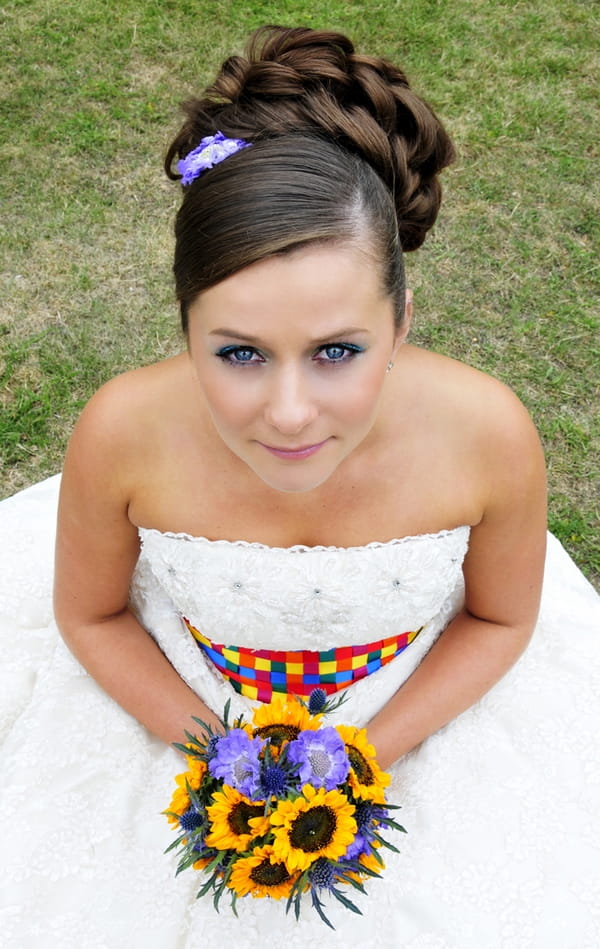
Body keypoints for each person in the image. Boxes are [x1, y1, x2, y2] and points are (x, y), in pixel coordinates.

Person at [0, 25, 598, 949]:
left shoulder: (487, 437)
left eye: (336, 352)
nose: (287, 412)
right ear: (185, 324)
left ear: (400, 320)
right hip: (192, 694)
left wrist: (366, 756)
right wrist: (219, 752)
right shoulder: (121, 432)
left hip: (406, 701)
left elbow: (502, 619)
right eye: (238, 352)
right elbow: (91, 615)